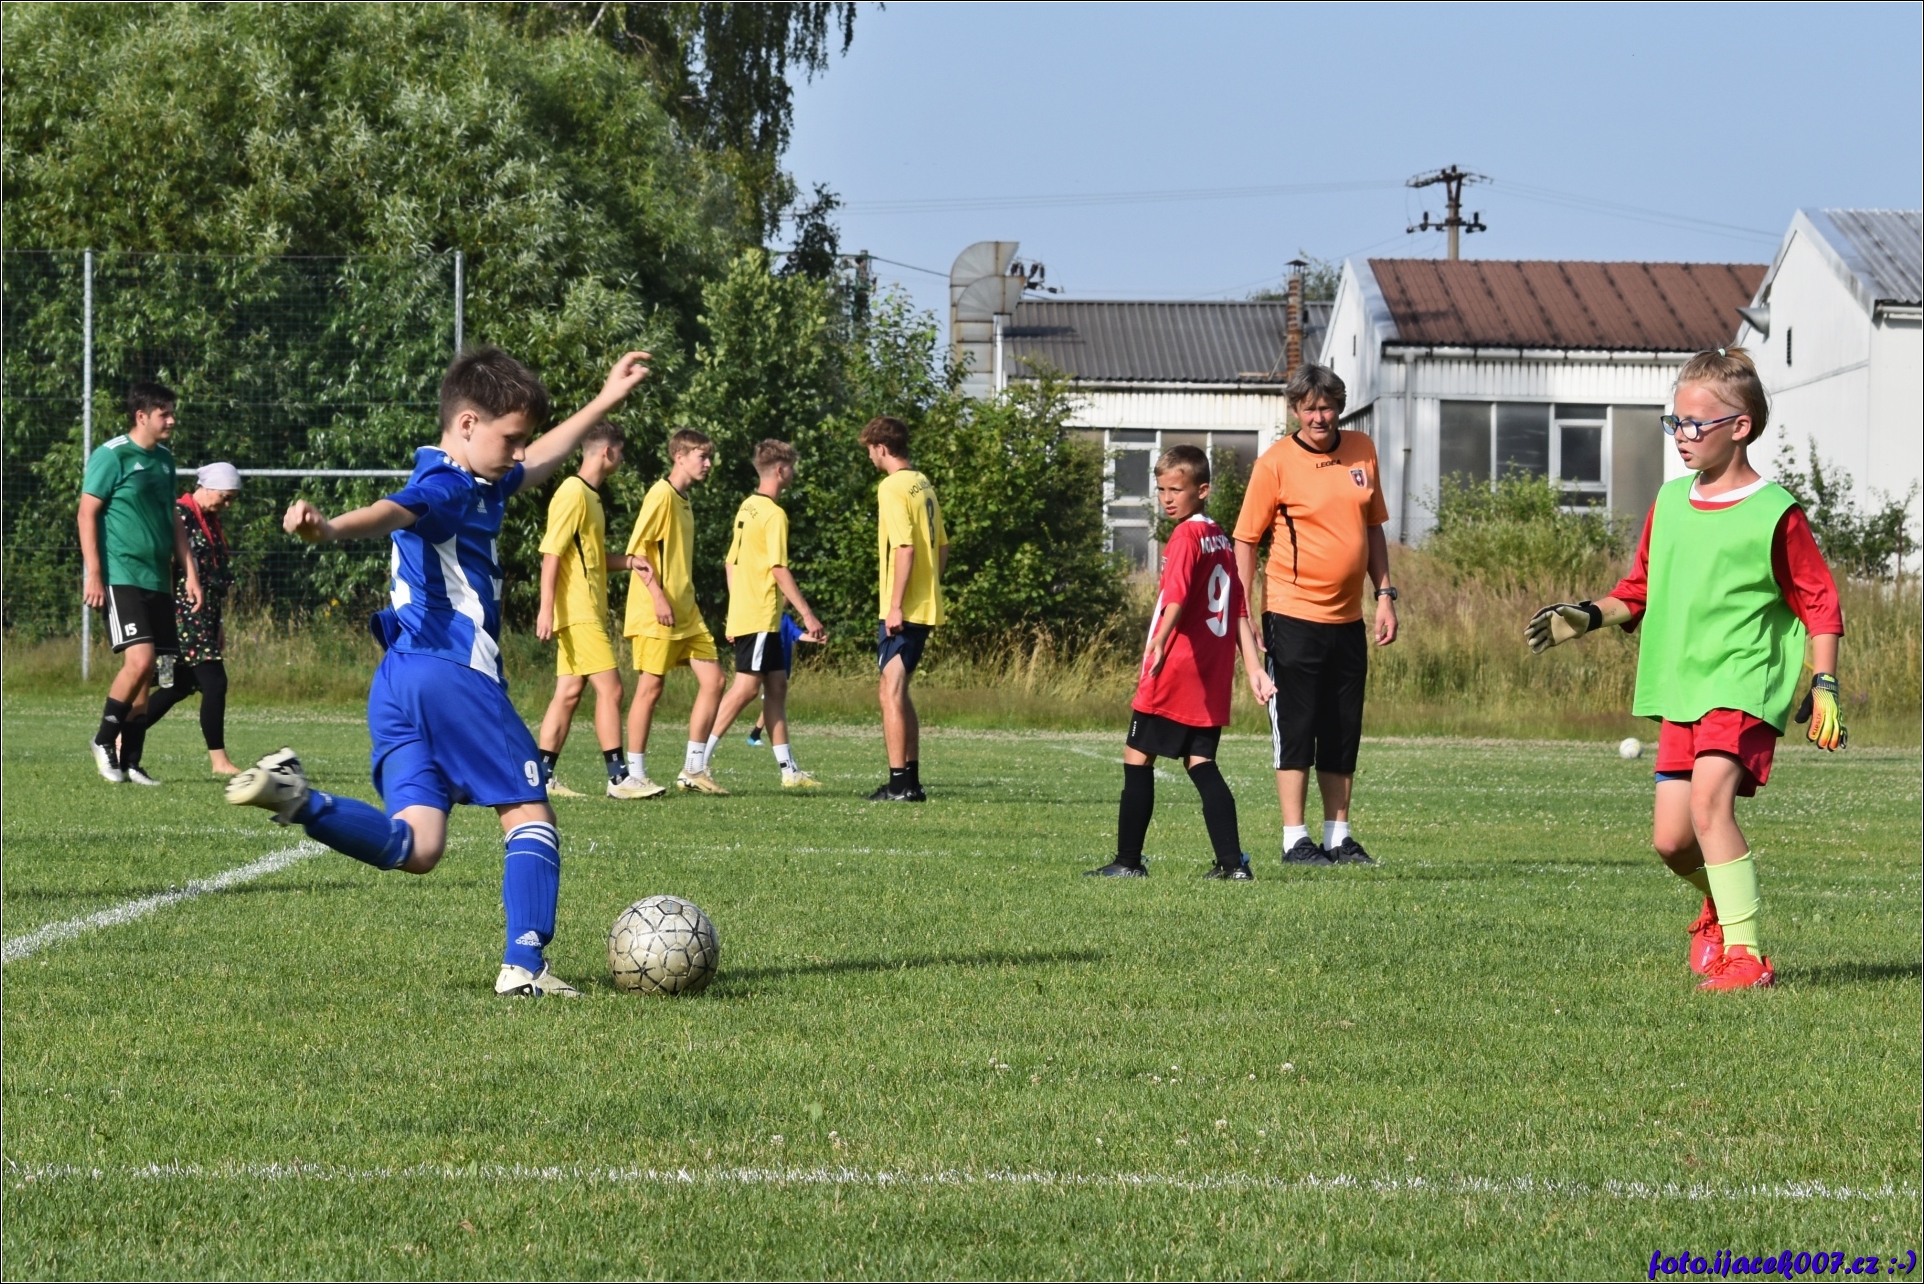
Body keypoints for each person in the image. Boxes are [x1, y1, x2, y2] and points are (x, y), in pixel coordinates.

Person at [225, 345, 652, 998]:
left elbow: (539, 460)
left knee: (418, 847)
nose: (518, 452)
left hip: (397, 683)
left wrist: (604, 399)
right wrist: (331, 529)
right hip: (452, 673)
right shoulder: (447, 485)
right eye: (509, 438)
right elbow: (396, 510)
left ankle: (298, 800)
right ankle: (525, 965)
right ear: (467, 425)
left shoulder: (481, 477)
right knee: (529, 812)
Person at [1526, 347, 1844, 992]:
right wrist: (1589, 615)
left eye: (1696, 424)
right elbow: (1638, 588)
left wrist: (1825, 681)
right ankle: (1720, 907)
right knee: (1672, 842)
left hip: (1744, 680)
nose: (1681, 435)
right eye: (1675, 422)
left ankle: (1748, 958)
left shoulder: (1775, 510)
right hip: (1682, 687)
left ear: (1741, 427)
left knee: (1708, 806)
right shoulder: (1670, 502)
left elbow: (1819, 601)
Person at [1232, 364, 1397, 867]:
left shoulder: (1362, 449)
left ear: (1338, 407)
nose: (1318, 417)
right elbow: (1246, 541)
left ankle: (1338, 836)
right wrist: (1245, 612)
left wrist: (1385, 594)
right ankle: (1294, 839)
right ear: (1295, 411)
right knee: (1297, 727)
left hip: (1348, 619)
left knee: (1343, 727)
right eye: (1308, 409)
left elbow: (1373, 527)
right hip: (1291, 614)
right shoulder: (1274, 464)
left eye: (1326, 407)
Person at [1088, 446, 1276, 878]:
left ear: (1202, 490)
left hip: (1174, 669)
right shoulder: (1220, 538)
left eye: (1177, 489)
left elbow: (1176, 595)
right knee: (1201, 762)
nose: (1167, 498)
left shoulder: (1186, 537)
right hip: (1209, 675)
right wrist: (1253, 668)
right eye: (1161, 490)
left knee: (1137, 757)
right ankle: (1233, 865)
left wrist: (1159, 640)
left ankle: (1128, 862)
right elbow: (1238, 610)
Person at [80, 381, 204, 786]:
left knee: (152, 673)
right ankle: (103, 740)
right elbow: (86, 514)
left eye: (172, 412)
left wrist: (190, 573)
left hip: (158, 580)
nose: (172, 420)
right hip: (122, 575)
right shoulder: (112, 455)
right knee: (140, 661)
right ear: (142, 416)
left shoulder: (165, 461)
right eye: (164, 414)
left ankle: (131, 761)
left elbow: (173, 520)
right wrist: (94, 573)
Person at [703, 440, 828, 788]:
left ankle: (789, 772)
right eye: (792, 467)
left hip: (757, 616)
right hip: (759, 614)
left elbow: (730, 563)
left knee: (776, 686)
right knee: (745, 689)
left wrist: (735, 611)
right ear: (780, 470)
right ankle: (696, 763)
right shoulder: (774, 514)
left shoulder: (748, 507)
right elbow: (778, 569)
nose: (794, 473)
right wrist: (808, 615)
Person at [532, 419, 644, 799]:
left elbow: (591, 557)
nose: (622, 459)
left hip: (586, 611)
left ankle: (541, 778)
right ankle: (619, 779)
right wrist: (545, 609)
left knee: (568, 693)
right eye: (621, 452)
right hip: (577, 612)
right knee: (612, 691)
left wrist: (630, 562)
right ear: (607, 452)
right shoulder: (572, 492)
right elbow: (551, 553)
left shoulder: (592, 497)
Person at [621, 428, 727, 797]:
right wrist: (658, 597)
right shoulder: (661, 495)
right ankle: (634, 775)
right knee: (651, 688)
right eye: (702, 456)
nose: (708, 463)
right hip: (658, 611)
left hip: (687, 611)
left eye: (709, 456)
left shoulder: (683, 500)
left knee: (715, 681)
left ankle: (693, 770)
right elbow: (637, 553)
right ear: (679, 457)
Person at [861, 415, 947, 802]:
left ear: (881, 448)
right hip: (922, 602)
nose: (870, 457)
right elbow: (942, 545)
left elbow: (906, 548)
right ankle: (910, 782)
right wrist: (930, 586)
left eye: (870, 450)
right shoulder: (922, 482)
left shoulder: (892, 486)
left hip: (903, 608)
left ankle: (898, 785)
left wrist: (895, 605)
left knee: (889, 690)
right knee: (899, 690)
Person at [141, 462, 243, 776]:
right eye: (225, 497)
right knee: (215, 682)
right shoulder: (180, 515)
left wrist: (219, 623)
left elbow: (212, 576)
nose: (228, 505)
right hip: (181, 614)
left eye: (232, 500)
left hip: (204, 615)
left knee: (177, 685)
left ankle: (119, 738)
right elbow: (164, 565)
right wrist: (159, 617)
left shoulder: (209, 521)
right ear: (208, 488)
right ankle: (219, 762)